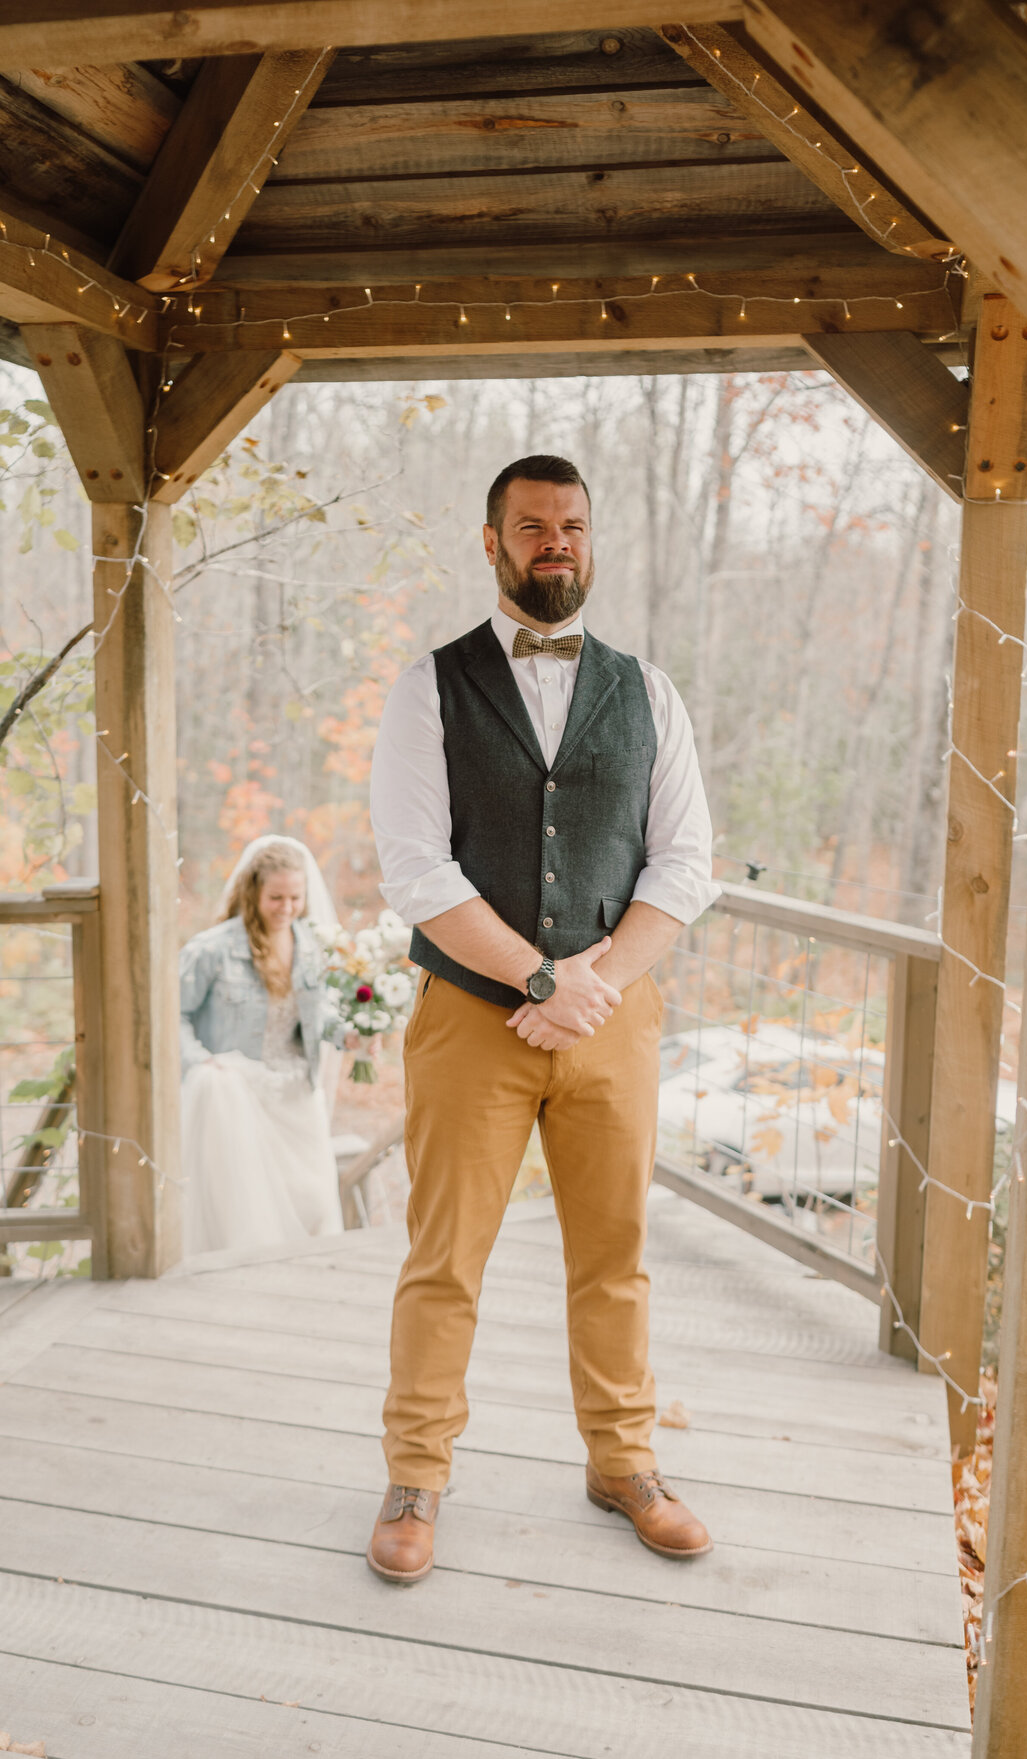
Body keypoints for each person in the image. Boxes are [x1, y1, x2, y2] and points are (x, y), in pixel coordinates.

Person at [365, 454, 721, 1583]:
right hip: (473, 1019)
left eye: (569, 524)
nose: (552, 541)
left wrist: (594, 984)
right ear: (493, 543)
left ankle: (624, 1463)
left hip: (614, 1014)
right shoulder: (428, 687)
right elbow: (416, 869)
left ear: (590, 538)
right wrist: (537, 980)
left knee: (614, 1257)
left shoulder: (650, 691)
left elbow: (687, 863)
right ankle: (417, 1473)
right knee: (444, 1257)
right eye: (530, 526)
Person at [178, 836, 346, 1259]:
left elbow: (319, 1012)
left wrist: (351, 1033)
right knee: (249, 1207)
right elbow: (168, 1016)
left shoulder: (313, 948)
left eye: (295, 897)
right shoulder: (211, 951)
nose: (287, 908)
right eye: (276, 897)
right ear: (253, 891)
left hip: (295, 1091)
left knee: (313, 1200)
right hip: (238, 1097)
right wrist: (201, 1063)